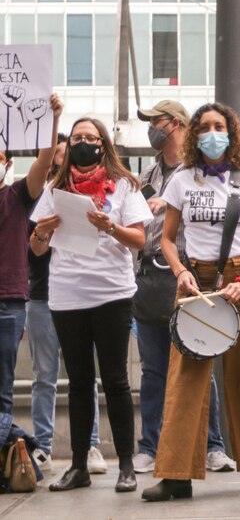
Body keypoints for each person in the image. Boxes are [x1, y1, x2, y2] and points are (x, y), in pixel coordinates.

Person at [141, 102, 240, 501]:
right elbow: (166, 238)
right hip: (194, 282)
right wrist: (180, 270)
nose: (212, 133)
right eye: (204, 127)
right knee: (185, 379)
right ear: (194, 134)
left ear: (231, 134)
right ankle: (175, 474)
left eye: (219, 126)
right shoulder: (181, 180)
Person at [30, 116, 152, 492]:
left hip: (112, 294)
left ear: (103, 144)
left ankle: (126, 466)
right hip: (67, 295)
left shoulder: (125, 187)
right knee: (79, 382)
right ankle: (79, 466)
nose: (84, 142)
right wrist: (41, 231)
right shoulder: (55, 188)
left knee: (116, 379)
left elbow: (140, 241)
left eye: (91, 137)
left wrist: (110, 227)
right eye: (78, 136)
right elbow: (36, 248)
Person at [131, 100, 234, 475]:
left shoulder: (200, 174)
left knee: (200, 360)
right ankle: (150, 445)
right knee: (153, 369)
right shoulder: (146, 175)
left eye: (155, 122)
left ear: (174, 124)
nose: (151, 129)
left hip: (192, 278)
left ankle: (213, 446)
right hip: (151, 278)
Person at [26, 133, 107, 474]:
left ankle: (90, 446)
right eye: (53, 153)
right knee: (44, 377)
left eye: (63, 151)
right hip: (42, 295)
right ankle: (42, 447)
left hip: (78, 295)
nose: (59, 156)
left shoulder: (89, 190)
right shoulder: (33, 195)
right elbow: (32, 247)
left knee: (84, 376)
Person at [0, 93, 62, 425]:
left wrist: (51, 119)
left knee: (3, 389)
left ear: (8, 165)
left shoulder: (18, 197)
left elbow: (46, 159)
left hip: (8, 305)